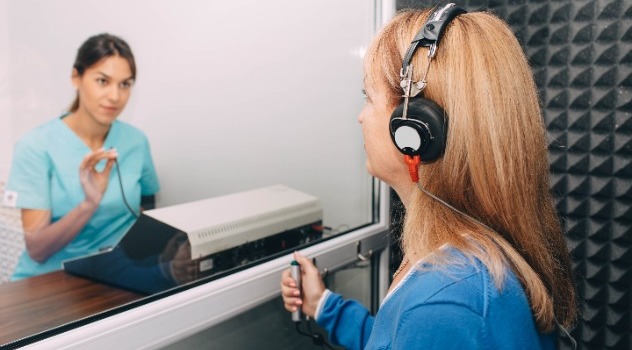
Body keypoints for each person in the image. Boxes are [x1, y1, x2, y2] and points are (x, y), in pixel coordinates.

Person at [281, 4, 577, 349]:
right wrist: (323, 306)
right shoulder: (460, 269)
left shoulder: (447, 304)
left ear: (415, 127)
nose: (361, 117)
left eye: (368, 96)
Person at [3, 33, 160, 280]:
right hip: (49, 282)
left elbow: (149, 205)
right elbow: (37, 250)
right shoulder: (35, 146)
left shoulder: (136, 141)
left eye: (125, 84)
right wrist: (89, 204)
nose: (115, 96)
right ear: (76, 77)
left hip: (115, 276)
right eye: (102, 81)